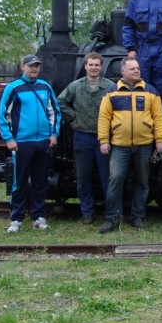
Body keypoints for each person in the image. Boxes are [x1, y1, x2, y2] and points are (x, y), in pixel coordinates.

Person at [97, 57, 162, 233]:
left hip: (144, 145)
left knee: (143, 182)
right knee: (116, 180)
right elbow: (104, 118)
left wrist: (159, 140)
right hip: (119, 146)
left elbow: (159, 117)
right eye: (132, 69)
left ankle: (137, 216)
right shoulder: (111, 92)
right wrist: (104, 140)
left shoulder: (151, 92)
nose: (136, 71)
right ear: (123, 71)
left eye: (137, 68)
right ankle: (112, 218)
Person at [0, 54, 61, 233]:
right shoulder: (13, 88)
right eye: (31, 66)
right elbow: (3, 114)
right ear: (22, 67)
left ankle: (38, 217)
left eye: (37, 66)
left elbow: (54, 112)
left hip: (42, 142)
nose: (34, 69)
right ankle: (16, 218)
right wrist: (9, 138)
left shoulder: (45, 87)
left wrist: (53, 134)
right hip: (22, 142)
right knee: (20, 181)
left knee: (41, 180)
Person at [57, 51, 111, 225]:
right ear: (85, 66)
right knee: (83, 178)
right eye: (91, 64)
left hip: (103, 138)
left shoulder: (111, 86)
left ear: (101, 67)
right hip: (82, 137)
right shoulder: (75, 86)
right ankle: (87, 212)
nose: (94, 68)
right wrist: (73, 118)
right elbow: (60, 102)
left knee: (107, 178)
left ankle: (111, 214)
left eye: (97, 65)